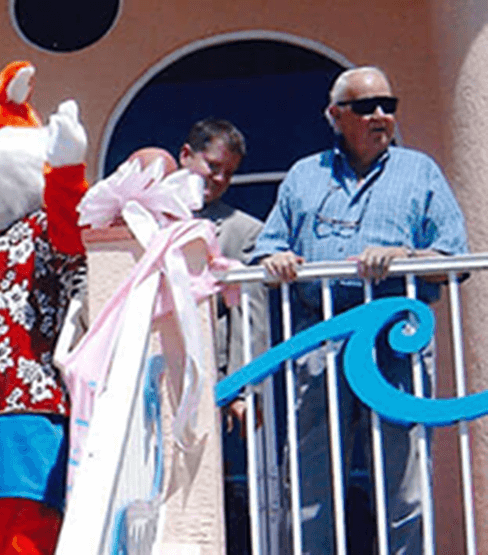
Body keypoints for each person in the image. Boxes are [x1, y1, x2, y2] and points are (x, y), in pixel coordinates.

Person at [251, 66, 468, 554]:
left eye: (388, 106)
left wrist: (406, 258)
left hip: (397, 341)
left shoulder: (421, 171)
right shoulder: (305, 176)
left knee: (404, 474)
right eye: (367, 106)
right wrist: (277, 258)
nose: (379, 116)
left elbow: (453, 259)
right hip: (320, 338)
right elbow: (266, 248)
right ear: (335, 115)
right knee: (310, 477)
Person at [179, 118, 269, 552]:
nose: (219, 180)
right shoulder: (143, 212)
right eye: (212, 166)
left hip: (208, 373)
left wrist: (241, 386)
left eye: (228, 174)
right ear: (185, 156)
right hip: (151, 369)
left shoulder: (242, 229)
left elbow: (249, 313)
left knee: (206, 481)